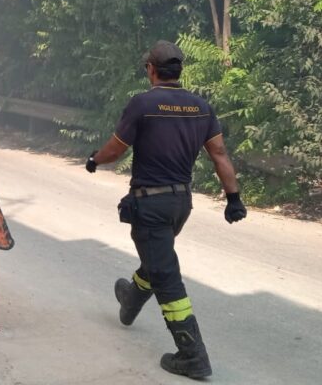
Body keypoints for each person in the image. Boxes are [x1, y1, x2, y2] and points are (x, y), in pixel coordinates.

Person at [85, 40, 247, 379]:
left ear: (150, 70)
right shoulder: (201, 107)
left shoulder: (143, 104)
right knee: (157, 259)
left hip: (151, 203)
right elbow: (219, 154)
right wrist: (233, 198)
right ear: (180, 71)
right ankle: (130, 298)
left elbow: (115, 150)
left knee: (166, 275)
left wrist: (93, 160)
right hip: (180, 204)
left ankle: (192, 355)